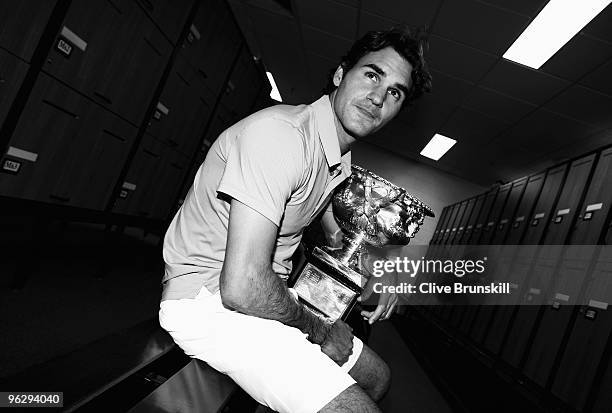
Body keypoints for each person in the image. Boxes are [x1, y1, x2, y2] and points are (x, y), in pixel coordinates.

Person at [159, 26, 432, 413]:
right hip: (209, 302)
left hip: (263, 296)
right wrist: (321, 331)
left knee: (378, 378)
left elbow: (340, 238)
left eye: (394, 93)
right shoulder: (281, 136)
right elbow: (241, 286)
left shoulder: (336, 157)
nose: (377, 97)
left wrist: (378, 272)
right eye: (372, 74)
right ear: (340, 74)